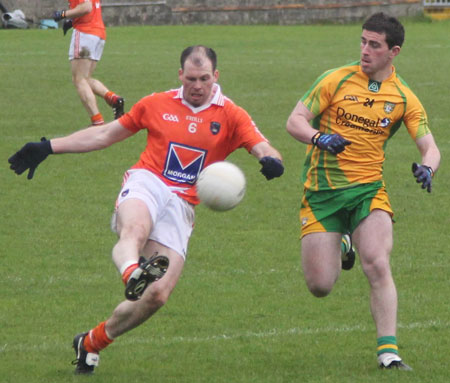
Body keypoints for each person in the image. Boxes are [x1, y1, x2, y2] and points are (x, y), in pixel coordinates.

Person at [8, 45, 284, 374]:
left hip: (182, 205)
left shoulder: (232, 115)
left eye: (205, 79)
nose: (198, 85)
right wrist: (49, 146)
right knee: (134, 231)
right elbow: (105, 135)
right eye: (191, 78)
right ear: (180, 75)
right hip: (147, 182)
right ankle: (131, 272)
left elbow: (265, 147)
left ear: (216, 77)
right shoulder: (155, 104)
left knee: (157, 296)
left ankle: (91, 342)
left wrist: (270, 161)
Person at [286, 12, 440, 371]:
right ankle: (343, 243)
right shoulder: (335, 79)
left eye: (374, 45)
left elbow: (430, 147)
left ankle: (389, 353)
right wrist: (319, 138)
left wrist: (427, 168)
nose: (365, 50)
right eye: (363, 41)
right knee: (320, 285)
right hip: (322, 194)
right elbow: (294, 120)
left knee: (377, 262)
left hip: (368, 192)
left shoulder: (403, 97)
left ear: (393, 52)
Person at [53, 0, 124, 125]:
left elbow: (86, 7)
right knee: (85, 78)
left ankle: (97, 121)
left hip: (85, 33)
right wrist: (71, 20)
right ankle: (114, 99)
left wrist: (63, 14)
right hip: (98, 32)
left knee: (79, 80)